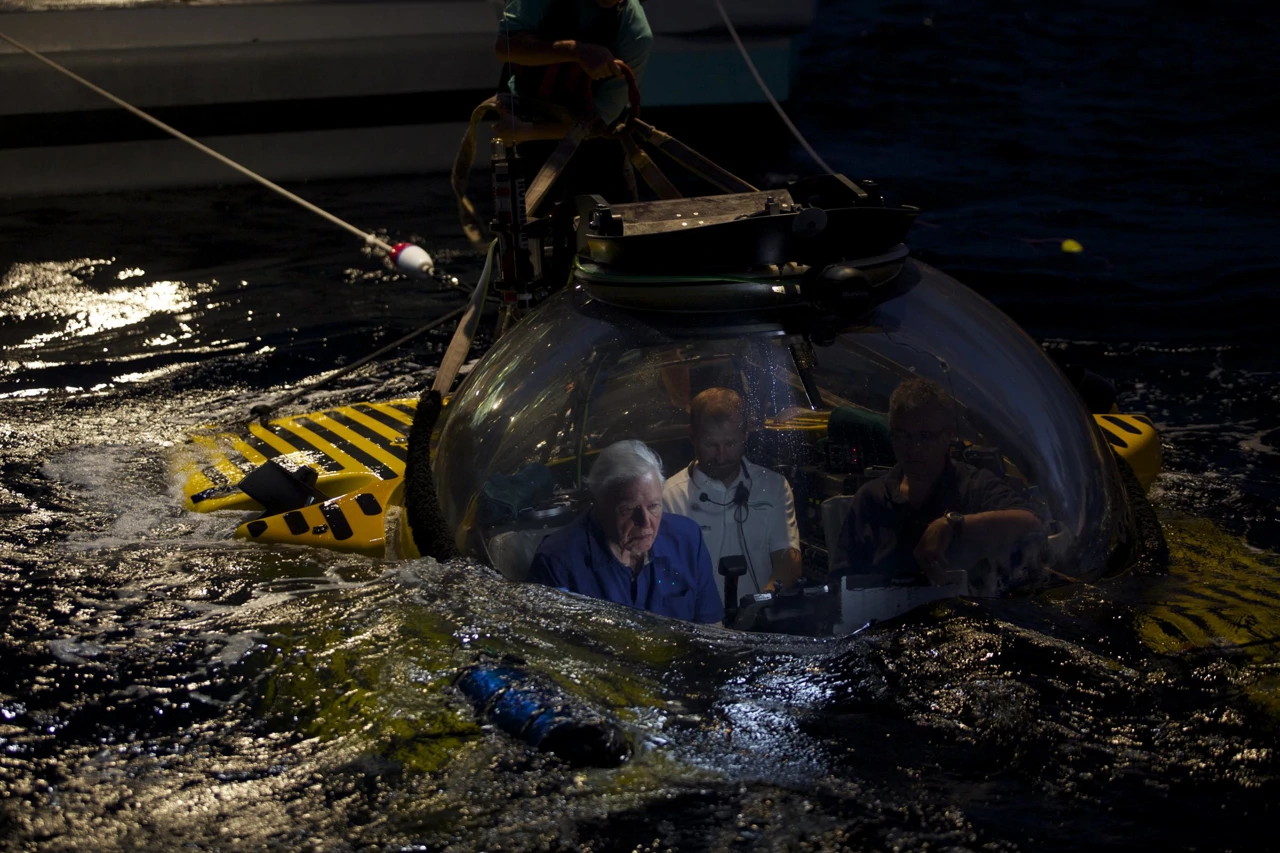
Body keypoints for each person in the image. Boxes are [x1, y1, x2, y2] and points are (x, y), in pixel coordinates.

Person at [832, 378, 1044, 588]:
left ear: (948, 436)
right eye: (901, 435)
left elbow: (1030, 521)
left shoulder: (975, 486)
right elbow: (841, 584)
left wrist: (954, 525)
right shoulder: (871, 499)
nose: (912, 448)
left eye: (924, 436)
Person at [528, 439, 723, 624]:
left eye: (654, 506)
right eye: (628, 510)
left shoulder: (687, 540)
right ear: (597, 504)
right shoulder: (558, 562)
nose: (645, 523)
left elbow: (711, 627)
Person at [492, 0, 653, 201]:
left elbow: (599, 121)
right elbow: (505, 47)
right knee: (523, 219)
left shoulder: (635, 32)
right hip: (528, 128)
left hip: (596, 148)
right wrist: (575, 51)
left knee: (618, 218)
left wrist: (526, 132)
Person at [663, 388, 802, 606]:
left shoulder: (773, 487)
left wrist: (759, 606)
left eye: (730, 444)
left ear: (746, 434)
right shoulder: (668, 497)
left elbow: (787, 558)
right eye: (710, 445)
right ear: (692, 436)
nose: (721, 456)